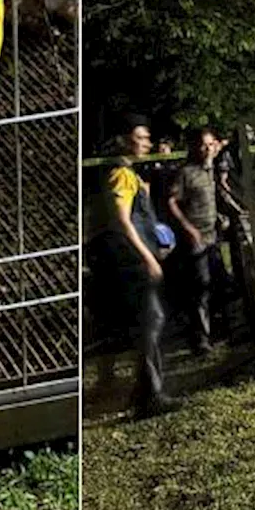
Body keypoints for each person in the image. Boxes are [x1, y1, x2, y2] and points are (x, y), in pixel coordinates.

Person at [86, 115, 181, 418]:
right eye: (141, 137)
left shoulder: (131, 174)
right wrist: (148, 257)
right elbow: (122, 220)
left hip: (132, 258)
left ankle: (143, 392)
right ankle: (150, 395)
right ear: (126, 139)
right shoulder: (120, 174)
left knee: (148, 323)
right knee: (151, 321)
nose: (148, 143)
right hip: (131, 261)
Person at [167, 128, 225, 355]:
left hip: (213, 235)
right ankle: (200, 338)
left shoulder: (211, 171)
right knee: (201, 286)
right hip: (196, 238)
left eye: (211, 144)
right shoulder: (186, 173)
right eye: (204, 145)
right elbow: (172, 201)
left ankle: (217, 330)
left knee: (216, 283)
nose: (208, 149)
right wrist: (188, 227)